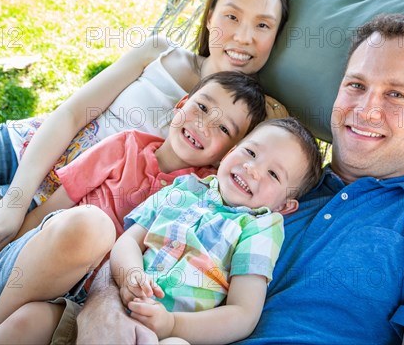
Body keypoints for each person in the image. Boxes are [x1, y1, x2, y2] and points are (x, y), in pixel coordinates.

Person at [75, 14, 404, 345]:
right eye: (355, 85)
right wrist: (105, 307)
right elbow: (143, 249)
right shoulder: (248, 185)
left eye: (397, 95)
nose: (367, 109)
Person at [0, 0, 292, 268]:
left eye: (262, 26)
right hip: (22, 146)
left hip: (53, 209)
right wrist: (12, 202)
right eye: (232, 16)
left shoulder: (260, 125)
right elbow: (73, 113)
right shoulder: (160, 53)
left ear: (277, 36)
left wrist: (15, 207)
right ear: (210, 16)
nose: (241, 36)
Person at [0, 71, 268, 343]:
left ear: (229, 153)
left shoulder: (201, 195)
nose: (203, 125)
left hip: (88, 308)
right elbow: (40, 218)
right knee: (93, 226)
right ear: (180, 105)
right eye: (202, 107)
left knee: (35, 324)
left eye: (223, 127)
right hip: (29, 271)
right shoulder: (122, 149)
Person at [110, 118, 322, 344]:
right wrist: (130, 275)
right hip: (119, 304)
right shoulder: (185, 187)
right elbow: (129, 241)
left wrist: (172, 324)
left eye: (273, 174)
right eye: (250, 152)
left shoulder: (258, 228)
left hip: (172, 333)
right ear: (231, 151)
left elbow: (243, 314)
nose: (252, 169)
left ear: (284, 206)